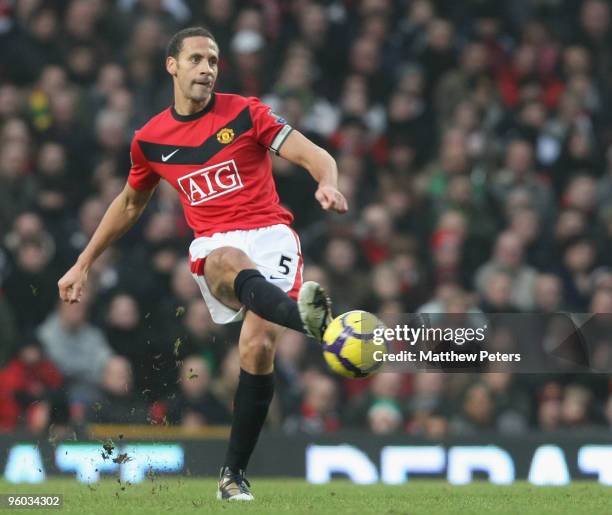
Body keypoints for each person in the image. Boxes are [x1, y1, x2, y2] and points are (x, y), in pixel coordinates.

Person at [57, 27, 348, 501]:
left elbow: (314, 155)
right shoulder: (150, 140)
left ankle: (232, 474)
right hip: (214, 242)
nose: (207, 68)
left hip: (270, 232)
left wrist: (327, 183)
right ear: (172, 65)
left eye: (213, 60)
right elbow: (130, 204)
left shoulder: (246, 112)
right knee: (227, 259)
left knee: (256, 347)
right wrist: (84, 262)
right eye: (196, 59)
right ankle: (315, 322)